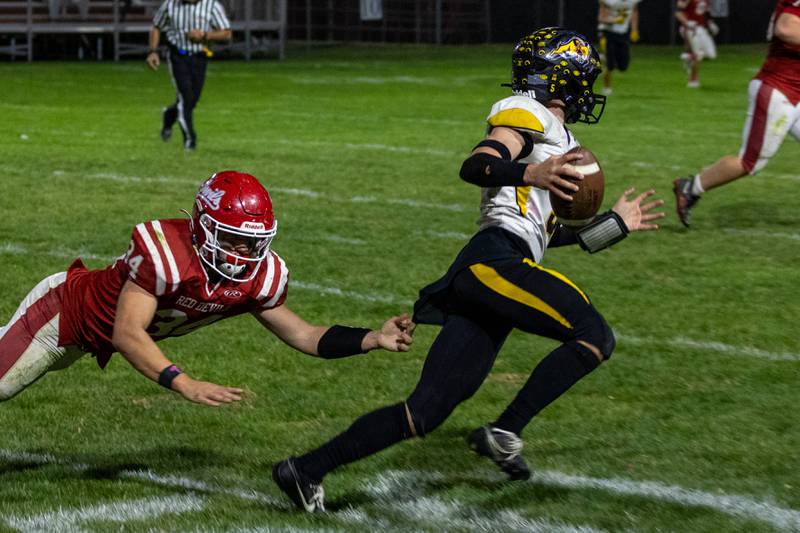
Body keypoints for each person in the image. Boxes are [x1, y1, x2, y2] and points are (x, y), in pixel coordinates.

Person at [272, 28, 665, 513]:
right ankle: (505, 431)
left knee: (426, 412)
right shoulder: (526, 112)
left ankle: (304, 469)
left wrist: (615, 226)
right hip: (495, 260)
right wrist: (532, 172)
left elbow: (546, 234)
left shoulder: (556, 134)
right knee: (594, 335)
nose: (587, 88)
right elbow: (478, 164)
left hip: (498, 268)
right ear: (561, 79)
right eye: (582, 78)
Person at [0, 171, 413, 407]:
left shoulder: (258, 277)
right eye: (231, 237)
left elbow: (303, 334)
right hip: (61, 318)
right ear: (201, 226)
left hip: (90, 340)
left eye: (251, 242)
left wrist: (373, 338)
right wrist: (184, 382)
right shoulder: (167, 253)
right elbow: (127, 332)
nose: (241, 252)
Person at [674, 0, 800, 227]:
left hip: (794, 92)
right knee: (750, 162)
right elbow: (786, 27)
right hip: (779, 91)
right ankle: (690, 187)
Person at [146, 0, 232, 151]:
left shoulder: (211, 5)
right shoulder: (171, 4)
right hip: (177, 55)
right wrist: (153, 51)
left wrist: (205, 35)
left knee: (193, 99)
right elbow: (156, 26)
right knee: (186, 97)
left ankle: (169, 115)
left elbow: (226, 33)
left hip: (200, 55)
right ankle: (190, 140)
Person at [597, 0, 641, 95]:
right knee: (610, 64)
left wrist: (634, 29)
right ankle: (607, 88)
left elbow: (634, 12)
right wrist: (614, 20)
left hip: (623, 34)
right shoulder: (608, 2)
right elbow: (601, 18)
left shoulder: (632, 1)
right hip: (608, 33)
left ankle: (602, 57)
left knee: (623, 66)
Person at [676, 0, 719, 89]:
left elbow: (706, 13)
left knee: (711, 55)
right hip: (691, 28)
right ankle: (693, 80)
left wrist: (711, 23)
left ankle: (689, 57)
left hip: (702, 29)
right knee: (698, 53)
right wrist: (687, 23)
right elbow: (678, 13)